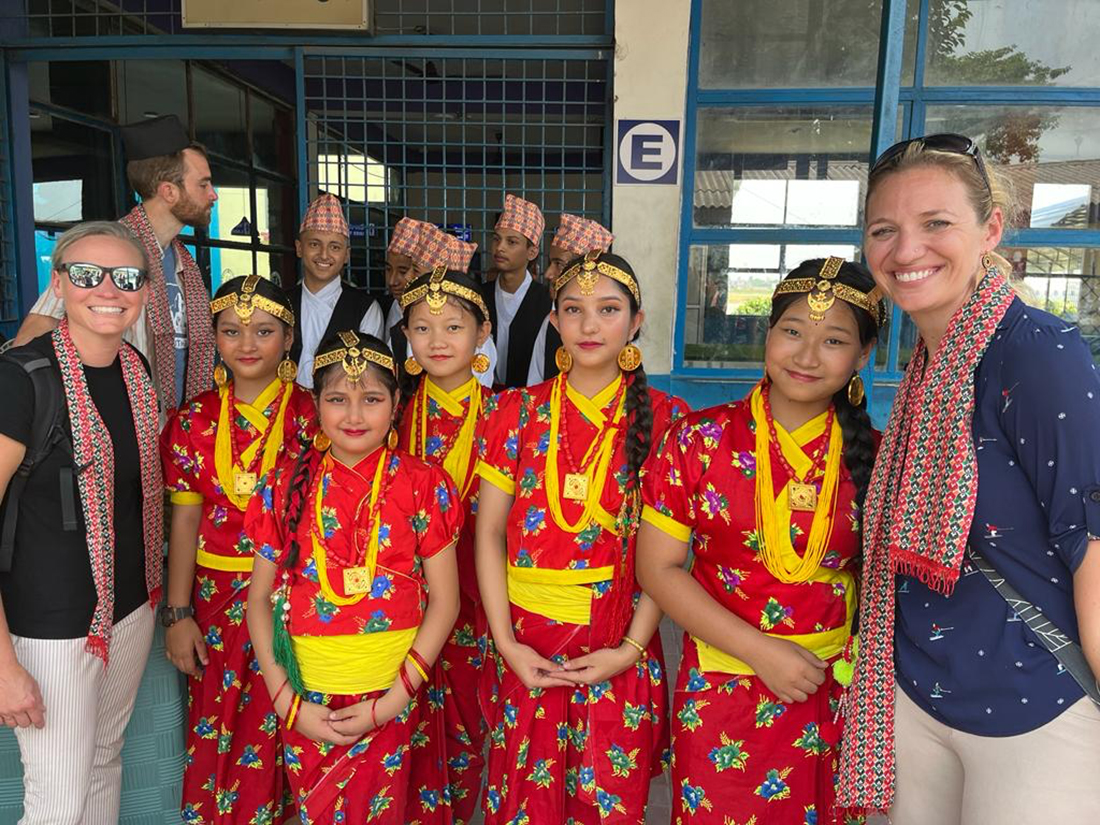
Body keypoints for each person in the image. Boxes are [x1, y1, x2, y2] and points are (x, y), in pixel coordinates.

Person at [838, 134, 1100, 822]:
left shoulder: (1037, 354)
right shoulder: (928, 368)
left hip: (1036, 707)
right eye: (884, 230)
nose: (906, 250)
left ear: (990, 230)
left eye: (936, 223)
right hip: (919, 695)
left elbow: (1094, 546)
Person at [636, 257, 884, 824]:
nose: (806, 355)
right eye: (792, 331)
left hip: (829, 693)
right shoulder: (696, 440)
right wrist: (761, 652)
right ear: (768, 334)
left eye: (834, 340)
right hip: (721, 691)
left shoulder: (877, 454)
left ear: (863, 355)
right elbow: (658, 569)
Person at [475, 250, 687, 823]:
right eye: (574, 309)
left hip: (618, 641)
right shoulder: (515, 411)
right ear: (554, 320)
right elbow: (489, 533)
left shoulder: (667, 419)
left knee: (606, 802)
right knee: (525, 802)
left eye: (609, 310)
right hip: (526, 642)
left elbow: (667, 557)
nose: (590, 325)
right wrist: (506, 643)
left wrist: (630, 650)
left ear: (636, 322)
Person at [245, 331, 461, 824]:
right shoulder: (281, 485)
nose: (355, 416)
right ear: (315, 405)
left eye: (372, 400)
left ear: (396, 403)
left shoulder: (423, 483)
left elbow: (446, 602)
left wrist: (391, 702)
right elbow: (258, 601)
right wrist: (288, 704)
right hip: (307, 702)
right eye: (338, 399)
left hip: (394, 694)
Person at [0, 222, 162, 823]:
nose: (108, 291)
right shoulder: (22, 378)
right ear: (60, 282)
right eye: (89, 275)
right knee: (58, 802)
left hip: (128, 608)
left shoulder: (135, 369)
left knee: (102, 766)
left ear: (145, 291)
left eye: (127, 278)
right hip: (51, 626)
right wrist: (2, 665)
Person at [160, 275, 316, 823]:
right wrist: (178, 612)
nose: (247, 344)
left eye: (264, 331)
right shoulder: (193, 421)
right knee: (222, 717)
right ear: (215, 339)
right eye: (231, 331)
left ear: (289, 338)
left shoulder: (315, 415)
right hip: (215, 596)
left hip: (296, 596)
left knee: (295, 714)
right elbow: (185, 520)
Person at [14, 114, 217, 415]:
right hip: (115, 422)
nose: (213, 195)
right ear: (169, 192)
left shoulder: (181, 260)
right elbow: (33, 335)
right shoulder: (106, 249)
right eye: (203, 185)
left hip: (177, 429)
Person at [396, 263, 493, 824]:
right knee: (402, 729)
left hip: (481, 601)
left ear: (482, 334)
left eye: (453, 327)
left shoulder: (511, 416)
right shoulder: (388, 413)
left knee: (467, 729)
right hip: (402, 599)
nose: (437, 340)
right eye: (422, 327)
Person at [385, 218, 497, 388]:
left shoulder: (477, 338)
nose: (407, 277)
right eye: (422, 329)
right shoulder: (398, 334)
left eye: (453, 328)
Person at [288, 193, 384, 388]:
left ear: (346, 255)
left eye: (335, 247)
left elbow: (369, 377)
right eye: (314, 244)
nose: (324, 255)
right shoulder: (281, 303)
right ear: (299, 248)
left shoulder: (365, 308)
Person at [527, 214, 614, 386]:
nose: (549, 274)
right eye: (550, 263)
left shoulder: (615, 325)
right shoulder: (550, 323)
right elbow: (534, 386)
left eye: (559, 264)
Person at [481, 194, 552, 388]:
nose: (500, 248)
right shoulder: (478, 297)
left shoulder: (546, 302)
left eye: (511, 242)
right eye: (497, 239)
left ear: (532, 252)